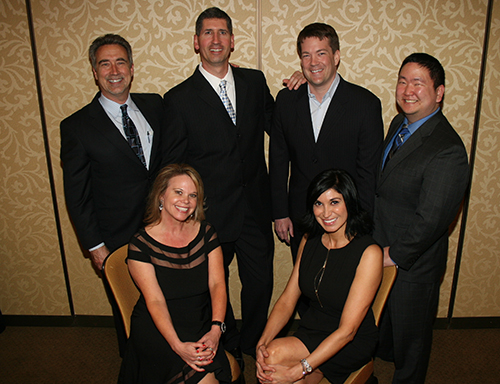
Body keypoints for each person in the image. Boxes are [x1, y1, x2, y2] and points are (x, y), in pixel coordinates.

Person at [163, 7, 274, 363]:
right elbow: (174, 166)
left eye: (223, 32)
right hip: (210, 216)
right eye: (208, 33)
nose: (216, 40)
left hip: (256, 209)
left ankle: (251, 343)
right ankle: (227, 344)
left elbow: (281, 125)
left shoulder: (254, 82)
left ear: (232, 41)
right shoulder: (178, 99)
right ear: (197, 42)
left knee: (260, 285)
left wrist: (301, 89)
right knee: (215, 290)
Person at [60, 34, 168, 353]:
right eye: (104, 63)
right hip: (119, 241)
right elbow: (76, 196)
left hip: (165, 232)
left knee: (172, 306)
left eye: (120, 61)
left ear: (132, 68)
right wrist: (96, 249)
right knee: (132, 316)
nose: (114, 70)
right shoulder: (77, 127)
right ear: (94, 72)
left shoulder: (156, 105)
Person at [373, 53, 469, 384]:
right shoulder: (399, 124)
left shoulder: (448, 149)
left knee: (412, 342)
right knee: (387, 324)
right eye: (402, 80)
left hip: (414, 263)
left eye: (418, 82)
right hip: (382, 242)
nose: (408, 90)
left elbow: (431, 221)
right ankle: (386, 357)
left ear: (439, 92)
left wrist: (394, 255)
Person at [256, 169, 383, 384]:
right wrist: (263, 342)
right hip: (314, 327)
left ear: (349, 203)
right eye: (318, 203)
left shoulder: (369, 253)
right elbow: (287, 300)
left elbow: (347, 331)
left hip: (349, 340)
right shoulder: (309, 239)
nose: (326, 213)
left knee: (292, 380)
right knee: (270, 358)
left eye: (334, 202)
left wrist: (299, 370)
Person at [269, 23, 384, 261]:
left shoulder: (365, 104)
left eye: (321, 53)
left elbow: (368, 172)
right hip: (302, 217)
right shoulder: (287, 100)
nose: (313, 62)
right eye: (306, 55)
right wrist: (280, 212)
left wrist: (359, 224)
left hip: (346, 219)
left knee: (340, 290)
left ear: (336, 56)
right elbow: (278, 160)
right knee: (303, 284)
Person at [119, 164, 231, 384]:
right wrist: (177, 346)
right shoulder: (141, 245)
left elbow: (218, 284)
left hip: (199, 322)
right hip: (158, 329)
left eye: (192, 195)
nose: (185, 201)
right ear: (161, 195)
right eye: (178, 192)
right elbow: (155, 300)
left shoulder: (206, 233)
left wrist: (216, 329)